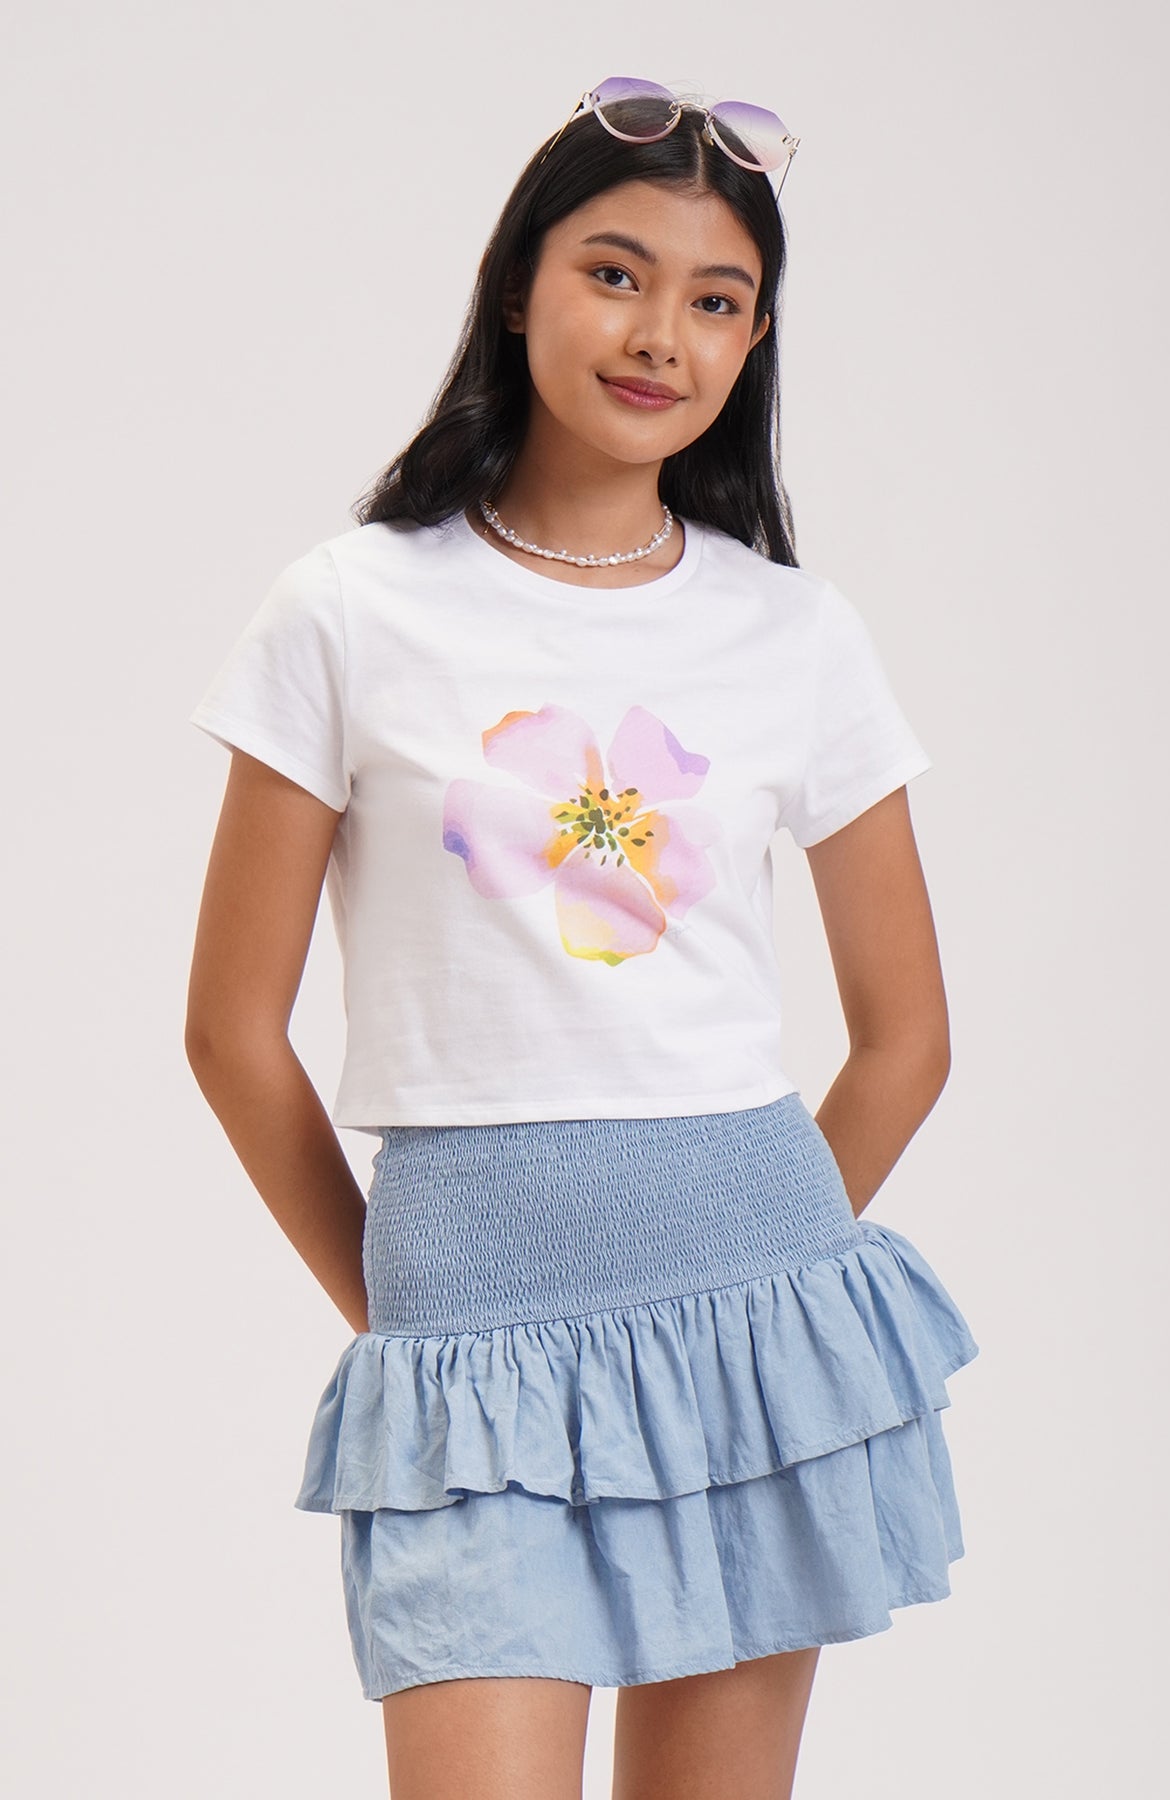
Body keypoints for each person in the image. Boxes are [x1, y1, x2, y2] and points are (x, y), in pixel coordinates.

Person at [185, 76, 980, 1800]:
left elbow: (907, 1036)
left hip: (750, 1325)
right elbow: (231, 1032)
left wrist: (761, 1271)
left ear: (752, 341)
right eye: (616, 274)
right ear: (518, 285)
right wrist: (413, 1298)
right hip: (466, 1325)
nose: (660, 336)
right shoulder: (349, 609)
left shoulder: (796, 635)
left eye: (718, 301)